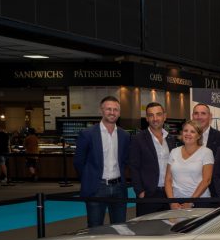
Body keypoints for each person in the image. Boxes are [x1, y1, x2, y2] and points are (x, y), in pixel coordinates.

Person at [74, 96, 131, 227]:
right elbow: (78, 162)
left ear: (119, 113)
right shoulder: (87, 134)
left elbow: (125, 161)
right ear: (101, 111)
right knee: (95, 229)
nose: (112, 112)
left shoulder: (124, 135)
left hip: (119, 189)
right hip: (96, 188)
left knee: (120, 228)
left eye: (115, 109)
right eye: (108, 109)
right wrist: (89, 179)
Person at [130, 102, 178, 216]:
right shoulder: (138, 139)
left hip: (169, 193)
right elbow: (133, 167)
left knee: (168, 228)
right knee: (147, 230)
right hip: (148, 194)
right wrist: (140, 192)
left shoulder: (170, 139)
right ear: (146, 118)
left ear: (164, 116)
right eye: (151, 115)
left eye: (158, 114)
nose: (155, 118)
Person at [165, 120, 214, 209]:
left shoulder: (206, 152)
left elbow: (206, 180)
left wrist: (190, 201)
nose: (188, 134)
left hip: (199, 201)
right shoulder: (174, 152)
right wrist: (172, 201)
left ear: (199, 136)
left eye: (192, 131)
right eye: (185, 131)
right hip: (176, 202)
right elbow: (168, 179)